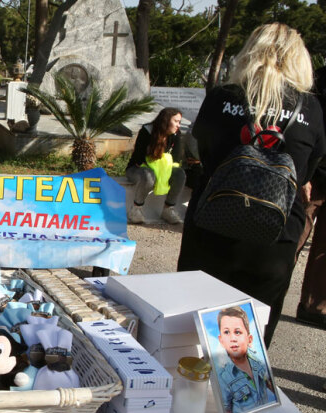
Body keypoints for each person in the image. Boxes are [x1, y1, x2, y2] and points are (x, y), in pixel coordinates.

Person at [177, 23, 326, 347]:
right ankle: (240, 395)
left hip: (213, 223)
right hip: (275, 232)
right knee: (249, 340)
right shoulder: (310, 108)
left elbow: (203, 150)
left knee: (191, 331)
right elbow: (309, 166)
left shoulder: (222, 97)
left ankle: (186, 390)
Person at [296, 65, 326, 330]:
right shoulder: (319, 79)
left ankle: (313, 308)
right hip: (314, 175)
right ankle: (269, 297)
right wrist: (304, 174)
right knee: (294, 235)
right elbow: (307, 126)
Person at [125, 107, 186, 224]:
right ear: (166, 120)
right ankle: (136, 209)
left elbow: (177, 158)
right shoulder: (147, 131)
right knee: (148, 176)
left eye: (179, 122)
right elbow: (138, 157)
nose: (178, 125)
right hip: (138, 169)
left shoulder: (176, 134)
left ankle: (168, 209)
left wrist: (164, 171)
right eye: (176, 121)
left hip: (164, 170)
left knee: (180, 174)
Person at [214, 306, 275, 413]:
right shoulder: (224, 376)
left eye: (237, 332)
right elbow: (226, 410)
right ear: (221, 340)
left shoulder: (259, 364)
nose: (233, 338)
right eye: (227, 332)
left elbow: (270, 386)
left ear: (249, 339)